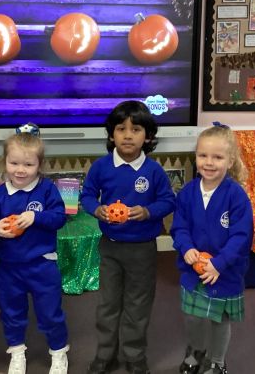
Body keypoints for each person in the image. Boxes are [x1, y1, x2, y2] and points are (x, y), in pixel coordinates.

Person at [80, 100, 176, 374]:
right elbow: (87, 195)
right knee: (108, 304)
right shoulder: (101, 167)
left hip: (142, 249)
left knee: (138, 303)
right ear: (112, 135)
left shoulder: (154, 171)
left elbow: (168, 201)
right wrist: (97, 209)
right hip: (110, 247)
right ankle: (105, 354)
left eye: (136, 130)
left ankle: (134, 355)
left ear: (148, 136)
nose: (128, 135)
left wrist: (147, 212)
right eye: (121, 129)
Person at [171, 123, 253, 374]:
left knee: (220, 320)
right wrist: (186, 247)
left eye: (217, 157)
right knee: (193, 316)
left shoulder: (236, 195)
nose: (209, 162)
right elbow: (179, 227)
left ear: (230, 161)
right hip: (193, 269)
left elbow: (241, 236)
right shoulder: (187, 192)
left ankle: (217, 360)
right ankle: (196, 350)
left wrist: (219, 264)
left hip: (224, 271)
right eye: (203, 155)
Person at [0, 123, 69, 374]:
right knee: (11, 312)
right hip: (9, 268)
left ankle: (58, 352)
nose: (20, 170)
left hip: (42, 265)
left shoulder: (47, 190)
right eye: (14, 163)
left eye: (28, 164)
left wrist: (36, 217)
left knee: (50, 313)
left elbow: (60, 217)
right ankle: (17, 351)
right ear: (5, 162)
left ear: (39, 165)